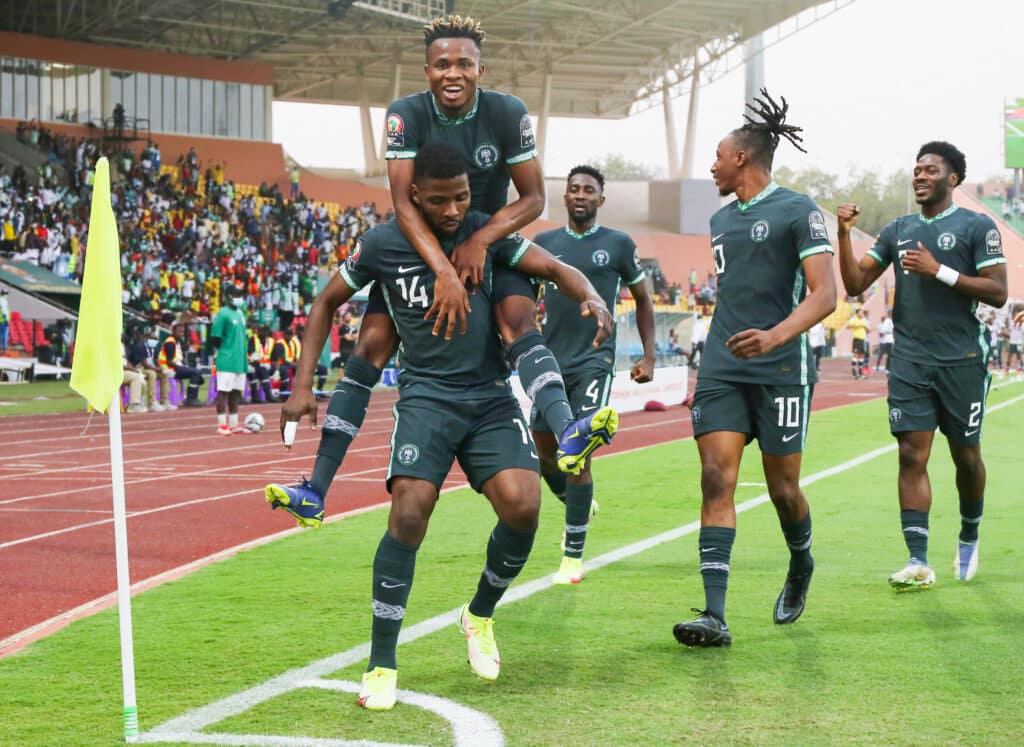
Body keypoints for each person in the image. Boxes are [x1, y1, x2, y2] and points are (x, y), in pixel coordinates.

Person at [269, 144, 614, 711]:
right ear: (414, 198)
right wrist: (303, 383)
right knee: (408, 512)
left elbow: (554, 267)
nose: (453, 209)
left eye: (461, 197)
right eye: (440, 200)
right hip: (426, 398)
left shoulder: (486, 233)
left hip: (490, 399)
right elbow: (326, 301)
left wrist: (594, 296)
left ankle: (478, 614)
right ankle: (382, 663)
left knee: (525, 507)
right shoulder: (382, 244)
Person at [266, 13, 614, 517]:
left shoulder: (508, 112)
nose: (454, 74)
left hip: (491, 243)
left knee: (517, 321)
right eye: (443, 64)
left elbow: (535, 198)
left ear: (481, 68)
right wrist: (446, 272)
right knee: (369, 348)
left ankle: (569, 432)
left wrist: (479, 243)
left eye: (465, 64)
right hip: (415, 247)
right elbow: (405, 206)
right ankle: (316, 488)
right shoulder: (404, 114)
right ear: (426, 70)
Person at [672, 90, 837, 648]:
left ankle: (801, 561)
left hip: (782, 368)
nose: (712, 165)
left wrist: (774, 337)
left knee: (783, 488)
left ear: (742, 157)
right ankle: (714, 615)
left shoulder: (798, 209)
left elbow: (825, 295)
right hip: (721, 365)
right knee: (716, 478)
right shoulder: (719, 219)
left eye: (717, 155)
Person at [836, 140, 1007, 589]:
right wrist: (843, 234)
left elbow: (998, 291)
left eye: (930, 170)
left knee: (966, 457)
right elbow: (855, 284)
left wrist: (940, 271)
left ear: (952, 179)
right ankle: (918, 560)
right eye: (916, 170)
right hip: (910, 361)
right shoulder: (897, 230)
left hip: (963, 360)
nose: (920, 176)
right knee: (912, 454)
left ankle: (969, 535)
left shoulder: (976, 226)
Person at [531, 165, 655, 584]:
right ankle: (577, 501)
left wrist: (649, 356)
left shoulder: (619, 244)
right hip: (550, 361)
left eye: (589, 190)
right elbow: (525, 301)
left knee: (576, 449)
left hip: (594, 361)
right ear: (564, 198)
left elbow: (643, 299)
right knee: (544, 453)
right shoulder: (544, 244)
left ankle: (572, 558)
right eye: (574, 189)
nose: (580, 195)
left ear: (601, 200)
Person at [209, 285, 250, 435]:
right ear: (227, 296)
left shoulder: (240, 314)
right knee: (224, 392)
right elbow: (215, 338)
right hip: (227, 360)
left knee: (235, 393)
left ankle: (233, 423)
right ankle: (222, 424)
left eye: (240, 294)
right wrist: (225, 351)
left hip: (240, 361)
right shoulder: (223, 313)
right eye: (235, 294)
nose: (238, 297)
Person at [159, 322, 204, 407]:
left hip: (175, 367)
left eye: (182, 332)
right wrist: (180, 367)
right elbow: (169, 361)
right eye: (179, 332)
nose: (181, 334)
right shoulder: (170, 343)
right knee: (195, 372)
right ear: (173, 331)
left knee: (197, 372)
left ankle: (192, 397)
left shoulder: (177, 342)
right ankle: (191, 398)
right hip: (169, 369)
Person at [126, 326, 171, 411]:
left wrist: (162, 368)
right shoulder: (140, 347)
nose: (153, 340)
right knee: (152, 373)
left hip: (149, 368)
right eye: (151, 338)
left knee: (164, 375)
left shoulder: (155, 347)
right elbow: (145, 365)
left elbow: (156, 359)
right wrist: (158, 369)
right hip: (137, 368)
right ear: (145, 338)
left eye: (155, 338)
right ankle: (152, 402)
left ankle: (164, 400)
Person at [847, 308, 869, 379]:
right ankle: (854, 372)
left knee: (861, 356)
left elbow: (868, 331)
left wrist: (865, 327)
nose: (861, 314)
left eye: (862, 313)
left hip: (863, 340)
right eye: (860, 313)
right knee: (856, 355)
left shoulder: (864, 320)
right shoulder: (854, 320)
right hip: (857, 340)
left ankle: (860, 373)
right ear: (857, 314)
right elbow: (848, 326)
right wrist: (857, 326)